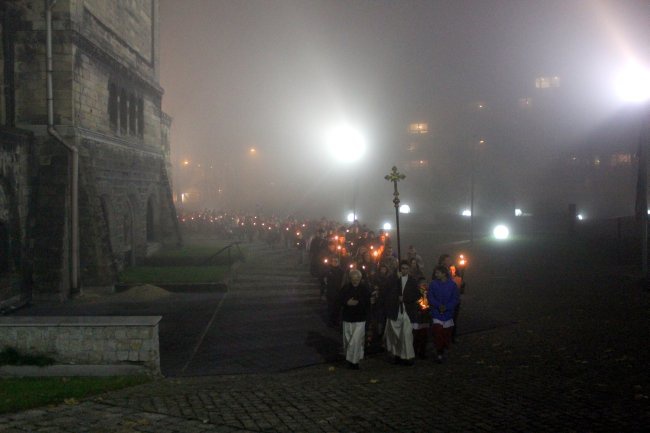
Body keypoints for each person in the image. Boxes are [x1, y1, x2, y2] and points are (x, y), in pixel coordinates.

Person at [384, 260, 420, 365]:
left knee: (406, 334)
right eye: (402, 268)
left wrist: (405, 298)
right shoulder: (392, 279)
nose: (404, 270)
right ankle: (398, 355)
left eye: (406, 269)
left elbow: (417, 295)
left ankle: (408, 357)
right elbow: (386, 292)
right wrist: (396, 280)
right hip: (395, 311)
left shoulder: (412, 281)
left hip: (407, 311)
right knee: (396, 335)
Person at [339, 269, 372, 370]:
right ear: (350, 279)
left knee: (356, 340)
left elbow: (368, 302)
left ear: (360, 279)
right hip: (348, 317)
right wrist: (347, 302)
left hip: (360, 318)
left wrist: (358, 303)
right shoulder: (345, 288)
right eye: (353, 279)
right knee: (348, 339)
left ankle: (355, 361)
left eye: (357, 279)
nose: (355, 281)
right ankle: (350, 360)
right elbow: (339, 300)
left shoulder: (365, 289)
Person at [427, 265, 460, 363]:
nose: (436, 274)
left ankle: (443, 349)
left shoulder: (452, 285)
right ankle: (439, 352)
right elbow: (430, 297)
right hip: (437, 312)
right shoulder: (433, 284)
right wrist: (438, 306)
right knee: (438, 332)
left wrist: (447, 307)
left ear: (443, 273)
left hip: (448, 313)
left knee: (446, 333)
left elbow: (455, 299)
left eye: (438, 273)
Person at [438, 253, 463, 342]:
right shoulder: (439, 270)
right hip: (445, 298)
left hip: (455, 297)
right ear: (443, 261)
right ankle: (444, 337)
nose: (449, 261)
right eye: (447, 260)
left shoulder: (454, 269)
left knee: (454, 318)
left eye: (450, 259)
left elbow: (460, 280)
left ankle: (453, 336)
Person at [411, 277, 431, 359]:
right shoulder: (415, 293)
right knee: (416, 335)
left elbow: (430, 303)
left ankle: (422, 352)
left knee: (424, 336)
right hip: (417, 317)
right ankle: (414, 351)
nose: (424, 284)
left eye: (425, 283)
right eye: (422, 283)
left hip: (425, 317)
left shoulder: (428, 293)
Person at [324, 256, 345, 327]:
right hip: (330, 291)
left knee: (337, 308)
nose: (335, 262)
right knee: (330, 307)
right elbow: (324, 280)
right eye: (333, 261)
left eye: (336, 261)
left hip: (338, 291)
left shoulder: (341, 271)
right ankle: (330, 321)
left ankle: (335, 321)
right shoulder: (328, 270)